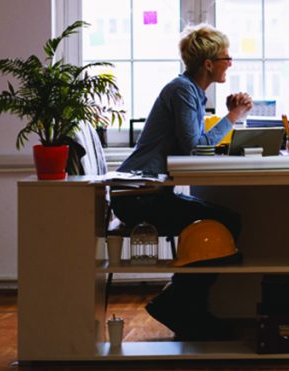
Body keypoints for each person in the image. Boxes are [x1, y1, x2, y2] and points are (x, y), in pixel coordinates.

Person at [111, 24, 253, 339]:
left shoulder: (190, 91)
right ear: (208, 63)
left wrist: (229, 117)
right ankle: (178, 304)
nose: (230, 63)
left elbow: (195, 143)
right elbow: (194, 146)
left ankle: (183, 306)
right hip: (138, 195)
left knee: (226, 221)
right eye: (226, 57)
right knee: (227, 222)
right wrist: (233, 117)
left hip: (144, 191)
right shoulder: (183, 90)